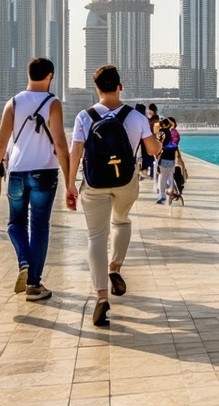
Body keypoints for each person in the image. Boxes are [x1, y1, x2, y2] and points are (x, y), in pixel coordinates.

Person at [68, 65, 162, 327]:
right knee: (121, 221)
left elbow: (75, 153)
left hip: (95, 183)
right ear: (120, 86)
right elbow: (153, 150)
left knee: (96, 237)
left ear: (96, 88)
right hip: (126, 180)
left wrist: (70, 185)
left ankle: (100, 297)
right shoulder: (135, 117)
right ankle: (115, 268)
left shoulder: (84, 117)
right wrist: (156, 138)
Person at [0, 57, 71, 301]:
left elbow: (1, 143)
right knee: (40, 226)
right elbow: (61, 146)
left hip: (18, 173)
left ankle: (23, 260)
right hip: (45, 172)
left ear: (28, 74)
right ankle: (34, 283)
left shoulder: (12, 102)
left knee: (15, 223)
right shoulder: (53, 103)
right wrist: (70, 182)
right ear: (50, 76)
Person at [153, 117, 183, 205]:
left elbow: (158, 141)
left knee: (162, 177)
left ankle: (163, 195)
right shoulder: (174, 133)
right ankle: (171, 191)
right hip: (171, 159)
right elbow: (175, 145)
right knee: (170, 176)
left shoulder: (164, 132)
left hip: (164, 157)